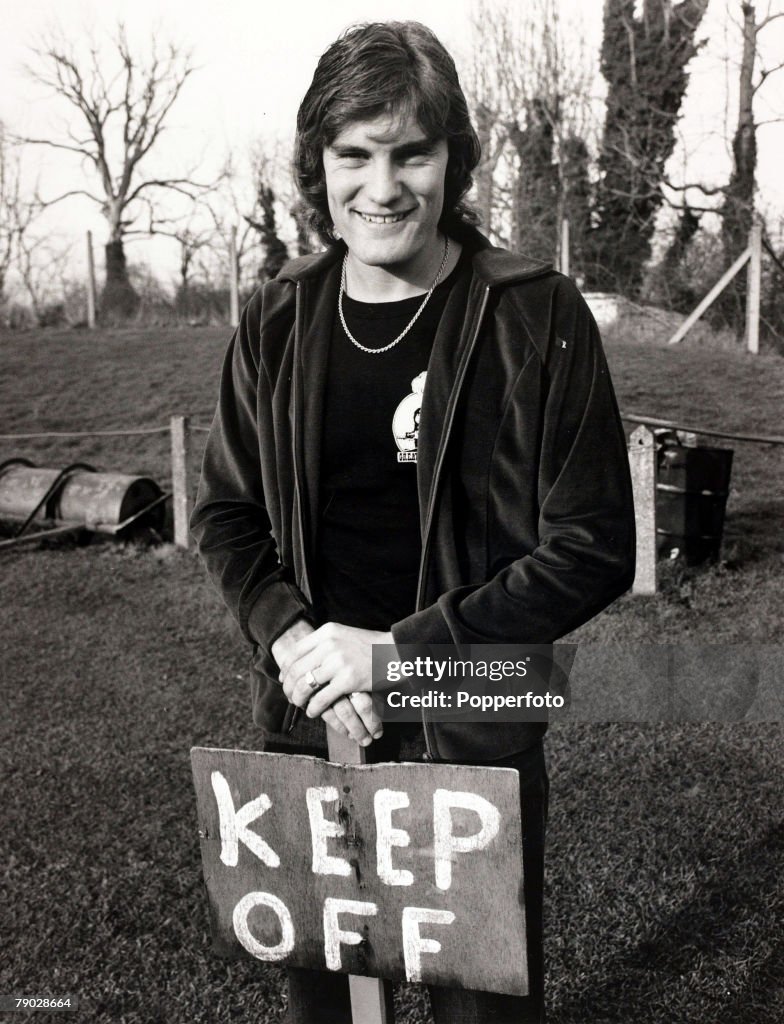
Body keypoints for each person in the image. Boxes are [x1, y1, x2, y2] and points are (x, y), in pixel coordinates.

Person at [191, 20, 635, 1024]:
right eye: (354, 153)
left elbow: (596, 543)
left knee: (479, 1011)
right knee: (328, 1007)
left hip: (472, 704)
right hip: (312, 719)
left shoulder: (535, 312)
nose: (381, 186)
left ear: (452, 160)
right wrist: (295, 637)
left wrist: (397, 654)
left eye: (411, 152)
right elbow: (223, 508)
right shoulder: (275, 317)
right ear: (319, 163)